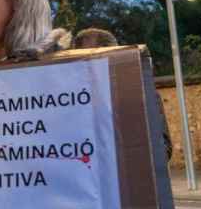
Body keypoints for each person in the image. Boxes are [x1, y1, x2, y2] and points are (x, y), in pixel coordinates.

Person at [71, 27, 173, 160]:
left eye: (92, 60)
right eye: (79, 61)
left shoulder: (141, 95)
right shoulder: (63, 101)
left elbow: (164, 150)